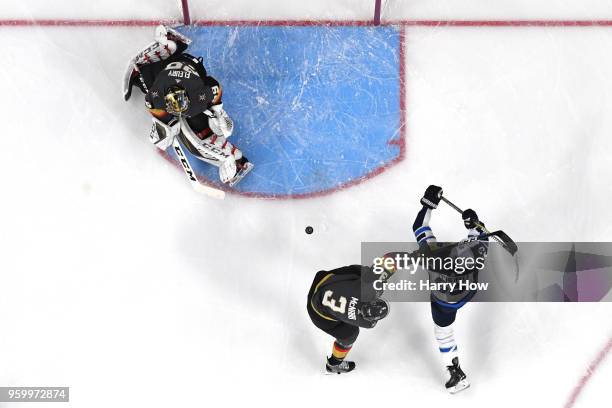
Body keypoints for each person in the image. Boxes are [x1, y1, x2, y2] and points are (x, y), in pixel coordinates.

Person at [123, 25, 252, 186]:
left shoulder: (197, 94)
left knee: (197, 120)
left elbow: (214, 86)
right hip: (167, 73)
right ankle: (168, 48)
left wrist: (219, 112)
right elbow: (151, 103)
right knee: (148, 81)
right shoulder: (156, 95)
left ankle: (171, 47)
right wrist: (163, 125)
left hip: (191, 64)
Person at [413, 185, 489, 394]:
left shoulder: (430, 255)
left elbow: (419, 225)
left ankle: (455, 373)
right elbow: (482, 236)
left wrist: (428, 204)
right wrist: (474, 223)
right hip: (467, 293)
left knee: (443, 333)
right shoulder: (474, 252)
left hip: (444, 301)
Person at [307, 264, 391, 374]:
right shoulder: (368, 324)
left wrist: (413, 256)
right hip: (317, 313)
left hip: (321, 281)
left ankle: (334, 364)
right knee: (350, 335)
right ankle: (334, 364)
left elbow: (387, 261)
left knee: (362, 272)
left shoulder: (366, 288)